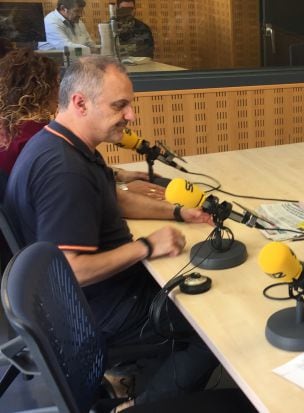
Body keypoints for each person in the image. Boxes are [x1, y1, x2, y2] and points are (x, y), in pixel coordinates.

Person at [4, 55, 218, 409]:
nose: (131, 115)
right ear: (80, 102)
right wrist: (146, 247)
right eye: (120, 105)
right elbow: (72, 270)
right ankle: (144, 406)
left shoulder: (64, 143)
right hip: (99, 311)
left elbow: (112, 200)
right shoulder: (65, 173)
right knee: (211, 325)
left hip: (95, 298)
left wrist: (178, 212)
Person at [0, 48, 165, 200]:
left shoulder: (10, 127)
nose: (60, 91)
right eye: (58, 83)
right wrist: (125, 190)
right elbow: (66, 186)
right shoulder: (36, 132)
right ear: (42, 89)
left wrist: (116, 175)